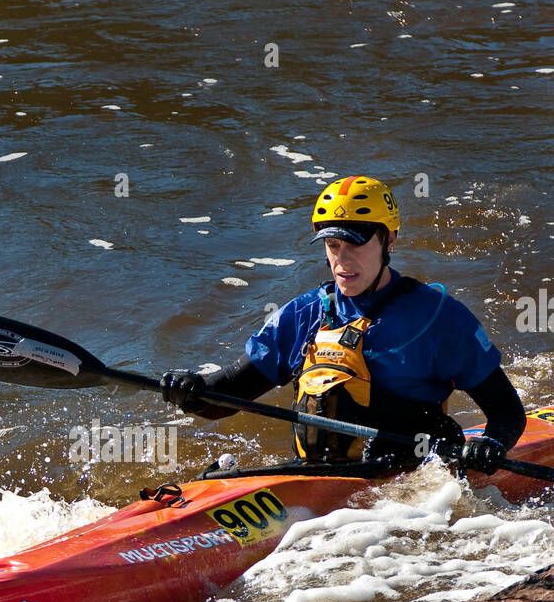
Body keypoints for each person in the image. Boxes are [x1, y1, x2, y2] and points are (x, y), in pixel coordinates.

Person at [160, 174, 526, 471]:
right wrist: (191, 392)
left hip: (407, 480)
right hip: (318, 480)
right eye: (333, 245)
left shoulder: (437, 318)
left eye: (356, 245)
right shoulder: (303, 314)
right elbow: (225, 398)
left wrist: (491, 444)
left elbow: (506, 412)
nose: (342, 261)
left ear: (390, 240)